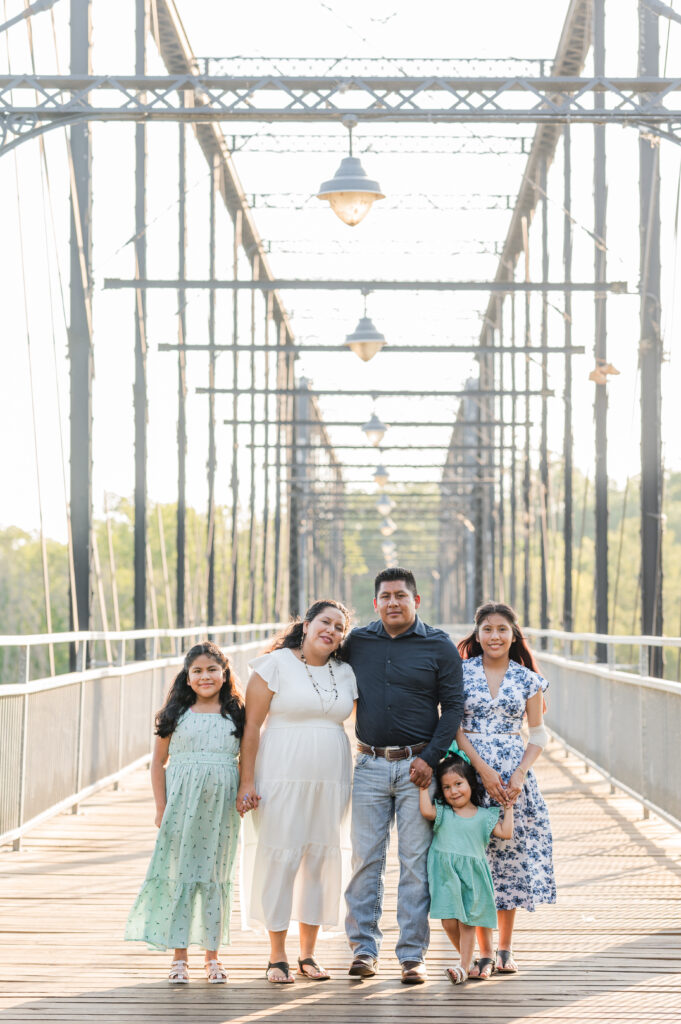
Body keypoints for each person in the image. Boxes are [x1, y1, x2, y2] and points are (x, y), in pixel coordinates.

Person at [342, 567, 464, 984]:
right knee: (365, 860)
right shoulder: (357, 641)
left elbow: (454, 708)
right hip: (370, 765)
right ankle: (363, 950)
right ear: (376, 602)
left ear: (416, 601)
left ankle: (412, 955)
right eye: (386, 596)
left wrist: (431, 758)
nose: (393, 602)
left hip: (419, 768)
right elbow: (314, 654)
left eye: (401, 595)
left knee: (415, 864)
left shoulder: (439, 645)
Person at [237, 600, 357, 984]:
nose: (332, 631)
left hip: (331, 776)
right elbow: (252, 728)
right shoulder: (273, 665)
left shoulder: (346, 671)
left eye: (340, 627)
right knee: (281, 856)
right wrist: (247, 781)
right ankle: (277, 954)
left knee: (320, 859)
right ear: (306, 624)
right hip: (280, 774)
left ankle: (308, 953)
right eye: (325, 622)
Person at [125, 642, 244, 984]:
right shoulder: (174, 715)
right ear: (187, 677)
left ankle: (213, 957)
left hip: (220, 811)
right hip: (181, 807)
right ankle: (179, 957)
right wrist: (161, 806)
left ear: (224, 674)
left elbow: (247, 758)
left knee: (214, 879)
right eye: (197, 671)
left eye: (212, 670)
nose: (205, 676)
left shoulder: (236, 713)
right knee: (180, 877)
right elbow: (158, 764)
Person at [455, 601, 556, 979]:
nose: (494, 636)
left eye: (501, 629)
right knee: (477, 864)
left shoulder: (528, 679)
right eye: (487, 629)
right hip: (469, 775)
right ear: (477, 634)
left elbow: (539, 732)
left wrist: (518, 775)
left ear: (513, 635)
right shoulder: (460, 673)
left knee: (509, 863)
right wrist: (481, 770)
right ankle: (481, 952)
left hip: (515, 781)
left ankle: (504, 950)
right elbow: (454, 726)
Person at [420, 747, 513, 984]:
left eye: (459, 783)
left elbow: (505, 832)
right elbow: (426, 810)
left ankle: (462, 967)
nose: (453, 791)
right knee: (449, 922)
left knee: (468, 921)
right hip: (446, 876)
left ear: (470, 783)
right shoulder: (444, 812)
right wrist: (423, 787)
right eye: (447, 787)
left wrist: (508, 807)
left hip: (472, 877)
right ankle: (468, 958)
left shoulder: (483, 815)